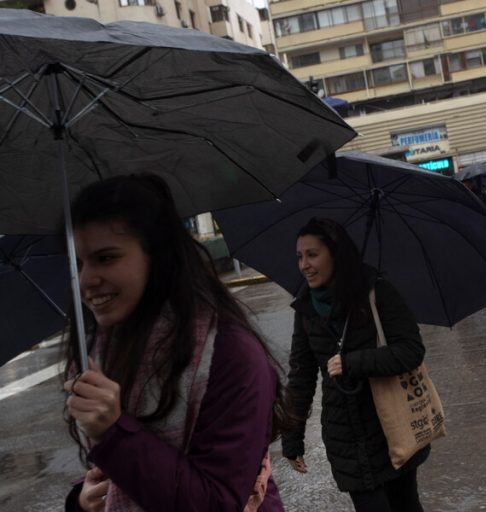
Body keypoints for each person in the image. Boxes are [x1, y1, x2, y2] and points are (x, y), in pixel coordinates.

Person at [62, 174, 286, 512]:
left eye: (106, 258)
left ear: (157, 255)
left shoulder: (230, 354)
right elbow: (119, 470)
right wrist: (82, 499)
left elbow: (218, 501)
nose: (87, 280)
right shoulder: (102, 349)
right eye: (78, 263)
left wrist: (113, 432)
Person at [283, 218, 429, 512]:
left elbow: (411, 350)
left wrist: (353, 362)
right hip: (345, 437)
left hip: (390, 427)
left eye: (312, 254)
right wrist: (292, 437)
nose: (304, 265)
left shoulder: (377, 291)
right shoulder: (306, 308)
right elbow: (301, 376)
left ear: (336, 254)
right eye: (299, 257)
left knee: (406, 506)